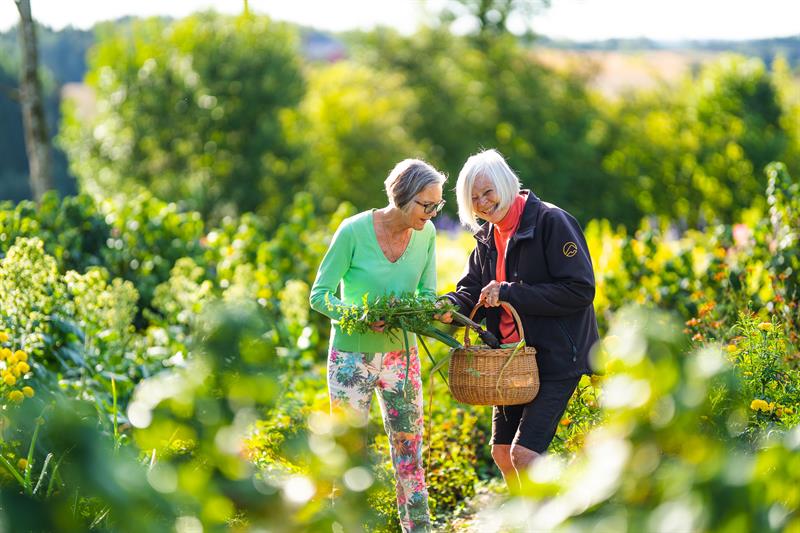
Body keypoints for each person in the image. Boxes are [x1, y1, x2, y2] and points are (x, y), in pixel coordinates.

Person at [439, 148, 598, 491]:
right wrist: (449, 306)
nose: (482, 203)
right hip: (512, 361)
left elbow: (580, 290)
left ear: (505, 184)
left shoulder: (551, 222)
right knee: (501, 454)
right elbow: (471, 289)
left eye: (488, 192)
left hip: (556, 358)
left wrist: (511, 292)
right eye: (474, 198)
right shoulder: (487, 236)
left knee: (524, 456)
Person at [309, 159, 447, 532]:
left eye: (437, 206)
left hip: (402, 357)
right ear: (402, 196)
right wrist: (360, 314)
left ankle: (419, 529)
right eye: (426, 204)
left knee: (409, 454)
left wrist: (435, 310)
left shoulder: (428, 234)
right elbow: (319, 296)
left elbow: (427, 294)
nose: (432, 213)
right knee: (350, 454)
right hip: (352, 359)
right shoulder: (353, 232)